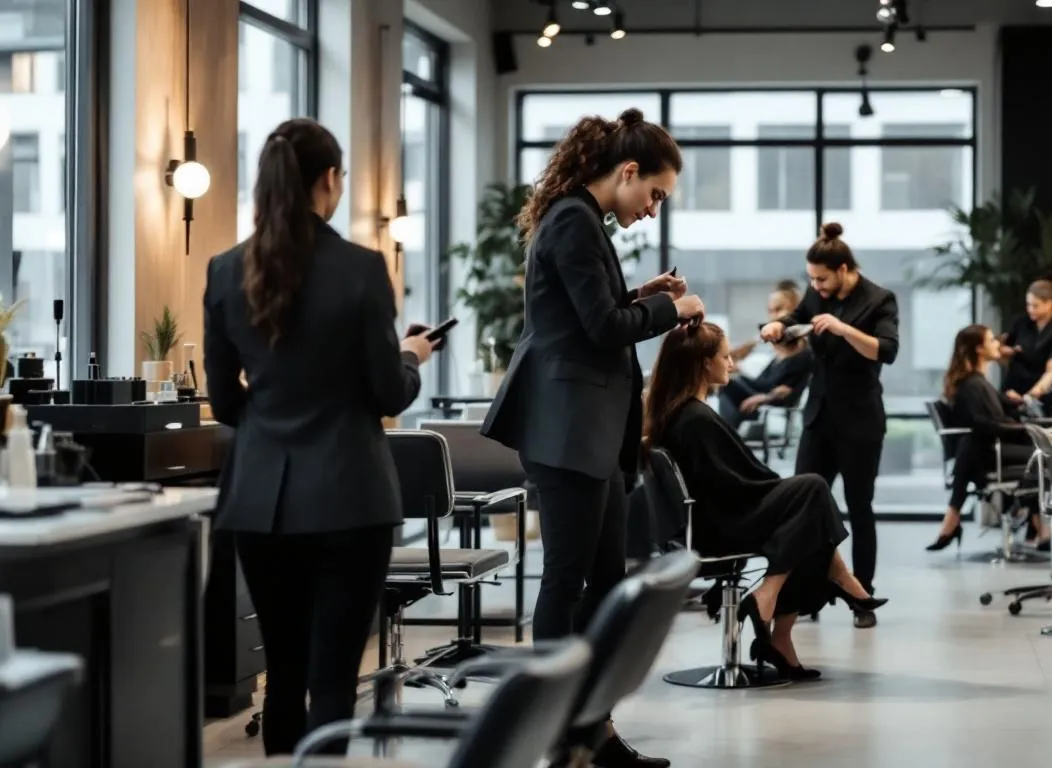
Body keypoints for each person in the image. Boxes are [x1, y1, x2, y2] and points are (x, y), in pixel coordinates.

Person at [203, 118, 437, 756]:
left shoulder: (225, 270)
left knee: (282, 679)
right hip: (348, 499)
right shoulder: (361, 270)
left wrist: (279, 397)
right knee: (333, 680)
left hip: (259, 501)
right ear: (330, 180)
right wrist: (412, 355)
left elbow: (225, 402)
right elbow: (389, 393)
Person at [480, 107, 702, 768]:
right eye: (655, 193)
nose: (654, 208)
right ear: (627, 171)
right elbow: (604, 329)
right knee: (570, 581)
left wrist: (642, 292)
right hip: (569, 431)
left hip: (590, 432)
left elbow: (586, 314)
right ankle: (558, 732)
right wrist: (671, 309)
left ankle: (590, 730)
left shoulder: (582, 219)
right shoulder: (574, 220)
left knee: (604, 583)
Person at [646, 322, 886, 678]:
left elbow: (734, 479)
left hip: (710, 520)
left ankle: (782, 633)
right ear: (702, 364)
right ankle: (790, 595)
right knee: (812, 493)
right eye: (724, 356)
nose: (731, 363)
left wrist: (777, 492)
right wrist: (779, 493)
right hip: (718, 526)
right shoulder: (694, 419)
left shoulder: (683, 413)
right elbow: (732, 485)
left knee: (809, 514)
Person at [760, 222, 898, 629]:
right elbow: (797, 316)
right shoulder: (816, 293)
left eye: (821, 278)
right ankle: (808, 595)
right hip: (818, 418)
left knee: (859, 508)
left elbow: (886, 351)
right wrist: (778, 326)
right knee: (804, 509)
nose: (815, 286)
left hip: (860, 423)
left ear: (842, 269)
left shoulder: (879, 300)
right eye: (810, 279)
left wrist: (842, 328)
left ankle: (863, 597)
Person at [927, 325, 1052, 551]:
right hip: (992, 453)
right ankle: (1043, 530)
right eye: (992, 340)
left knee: (1042, 453)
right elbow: (988, 424)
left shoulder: (976, 382)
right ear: (979, 349)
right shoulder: (973, 385)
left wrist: (1014, 404)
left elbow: (994, 410)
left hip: (984, 451)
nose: (998, 345)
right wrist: (1037, 433)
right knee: (1048, 456)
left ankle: (1040, 530)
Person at [717, 281, 813, 432]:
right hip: (759, 393)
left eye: (779, 309)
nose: (773, 316)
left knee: (725, 383)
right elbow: (759, 380)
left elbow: (785, 392)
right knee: (721, 379)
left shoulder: (803, 354)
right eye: (770, 311)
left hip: (766, 406)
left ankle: (725, 435)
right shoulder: (776, 350)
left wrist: (764, 398)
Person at [1000, 271, 1052, 409]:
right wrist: (1010, 351)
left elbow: (1051, 371)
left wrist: (1030, 397)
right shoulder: (1021, 322)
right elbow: (1004, 349)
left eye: (1035, 305)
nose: (1030, 309)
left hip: (1040, 392)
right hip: (1012, 387)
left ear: (1050, 304)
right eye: (1028, 304)